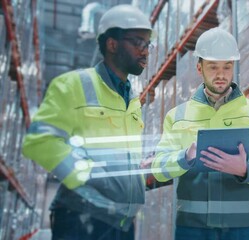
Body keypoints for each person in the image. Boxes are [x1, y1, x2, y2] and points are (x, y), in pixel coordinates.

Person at [22, 4, 153, 240]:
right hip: (82, 217)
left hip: (122, 220)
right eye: (137, 43)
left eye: (147, 45)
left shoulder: (132, 101)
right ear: (112, 44)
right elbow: (40, 141)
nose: (145, 51)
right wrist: (89, 174)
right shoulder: (73, 84)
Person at [152, 27, 249, 240]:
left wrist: (245, 169)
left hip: (241, 229)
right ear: (199, 68)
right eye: (213, 67)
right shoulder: (177, 117)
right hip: (192, 229)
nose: (221, 74)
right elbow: (158, 169)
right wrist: (184, 158)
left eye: (227, 66)